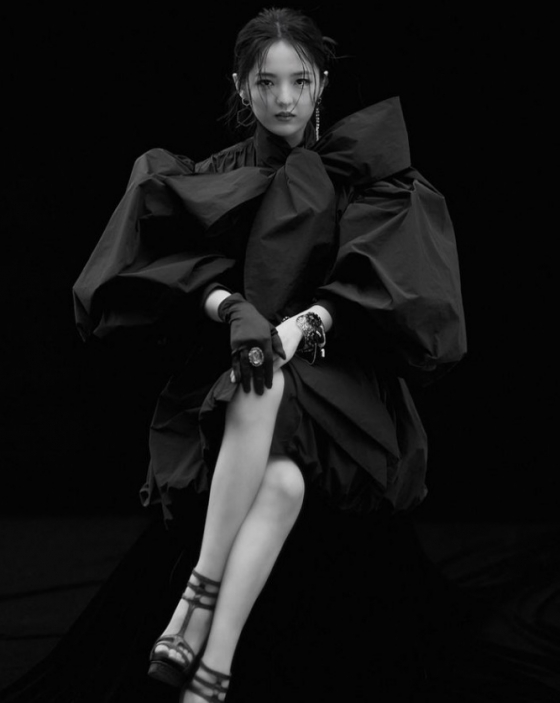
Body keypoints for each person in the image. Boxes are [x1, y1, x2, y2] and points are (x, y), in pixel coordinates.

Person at [73, 7, 467, 702]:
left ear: (321, 85)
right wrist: (231, 308)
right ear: (241, 86)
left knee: (264, 380)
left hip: (340, 374)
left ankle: (194, 606)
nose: (284, 99)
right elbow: (156, 267)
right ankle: (214, 667)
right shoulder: (214, 174)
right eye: (266, 82)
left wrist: (298, 328)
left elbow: (391, 285)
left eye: (300, 81)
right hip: (239, 363)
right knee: (280, 478)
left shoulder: (366, 173)